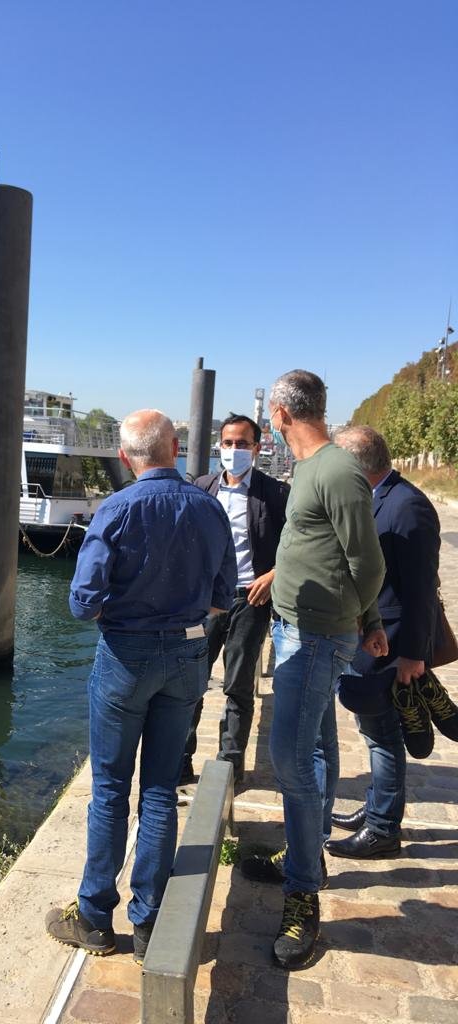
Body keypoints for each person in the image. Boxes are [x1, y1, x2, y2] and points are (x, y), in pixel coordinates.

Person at [45, 409, 236, 963]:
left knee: (110, 788)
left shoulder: (116, 509)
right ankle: (149, 922)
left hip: (125, 658)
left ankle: (95, 917)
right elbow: (226, 595)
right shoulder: (209, 508)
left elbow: (82, 604)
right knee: (159, 788)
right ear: (175, 449)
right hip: (187, 655)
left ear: (127, 457)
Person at [247, 370, 387, 970]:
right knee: (320, 752)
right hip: (296, 626)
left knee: (291, 763)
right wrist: (284, 576)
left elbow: (367, 560)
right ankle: (311, 856)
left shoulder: (334, 470)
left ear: (279, 413)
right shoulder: (307, 469)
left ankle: (303, 895)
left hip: (316, 637)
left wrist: (360, 620)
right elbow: (321, 545)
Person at [324, 426, 457, 858]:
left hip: (392, 643)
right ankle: (377, 805)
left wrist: (412, 656)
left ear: (357, 463)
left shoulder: (407, 507)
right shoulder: (375, 498)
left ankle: (383, 828)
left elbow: (421, 590)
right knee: (374, 730)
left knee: (384, 736)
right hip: (370, 638)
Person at [180, 414, 289, 786]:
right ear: (218, 447)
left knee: (238, 686)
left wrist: (272, 576)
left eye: (242, 443)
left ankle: (229, 763)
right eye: (227, 443)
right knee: (191, 681)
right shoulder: (202, 487)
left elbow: (295, 544)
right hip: (205, 602)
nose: (233, 450)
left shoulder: (274, 494)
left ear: (257, 448)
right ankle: (180, 760)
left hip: (249, 600)